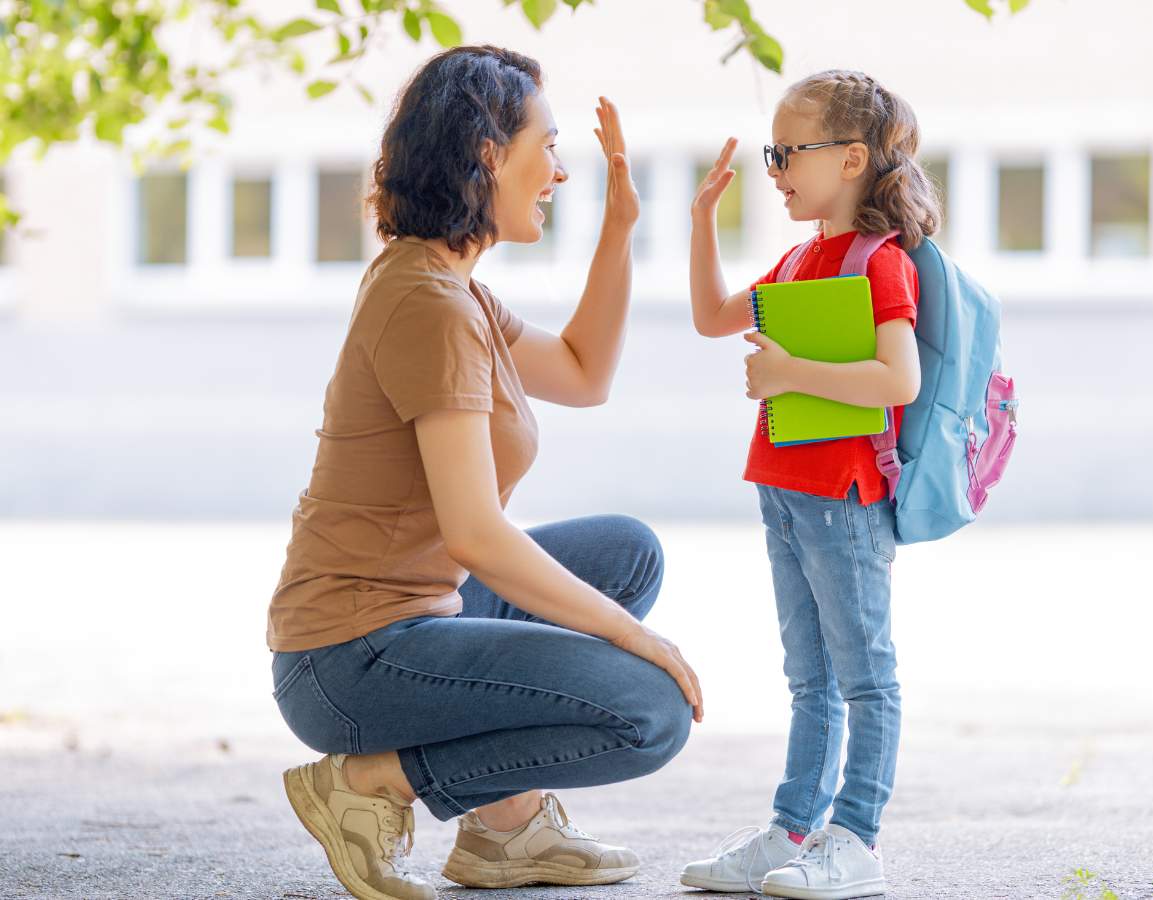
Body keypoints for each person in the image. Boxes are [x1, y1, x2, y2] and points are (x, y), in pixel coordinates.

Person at [267, 45, 702, 900]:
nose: (560, 171)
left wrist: (619, 229)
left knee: (626, 553)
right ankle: (368, 782)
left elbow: (583, 373)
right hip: (351, 659)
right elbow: (475, 531)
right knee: (646, 712)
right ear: (488, 153)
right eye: (547, 145)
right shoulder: (429, 305)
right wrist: (631, 635)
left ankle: (506, 833)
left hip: (419, 616)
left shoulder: (449, 285)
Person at [682, 69, 940, 900]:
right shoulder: (798, 257)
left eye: (789, 152)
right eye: (774, 152)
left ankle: (854, 838)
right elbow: (712, 317)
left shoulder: (880, 263)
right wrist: (700, 221)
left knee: (864, 673)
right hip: (784, 491)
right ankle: (794, 828)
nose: (776, 168)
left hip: (845, 496)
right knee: (809, 677)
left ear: (854, 158)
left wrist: (792, 369)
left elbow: (895, 381)